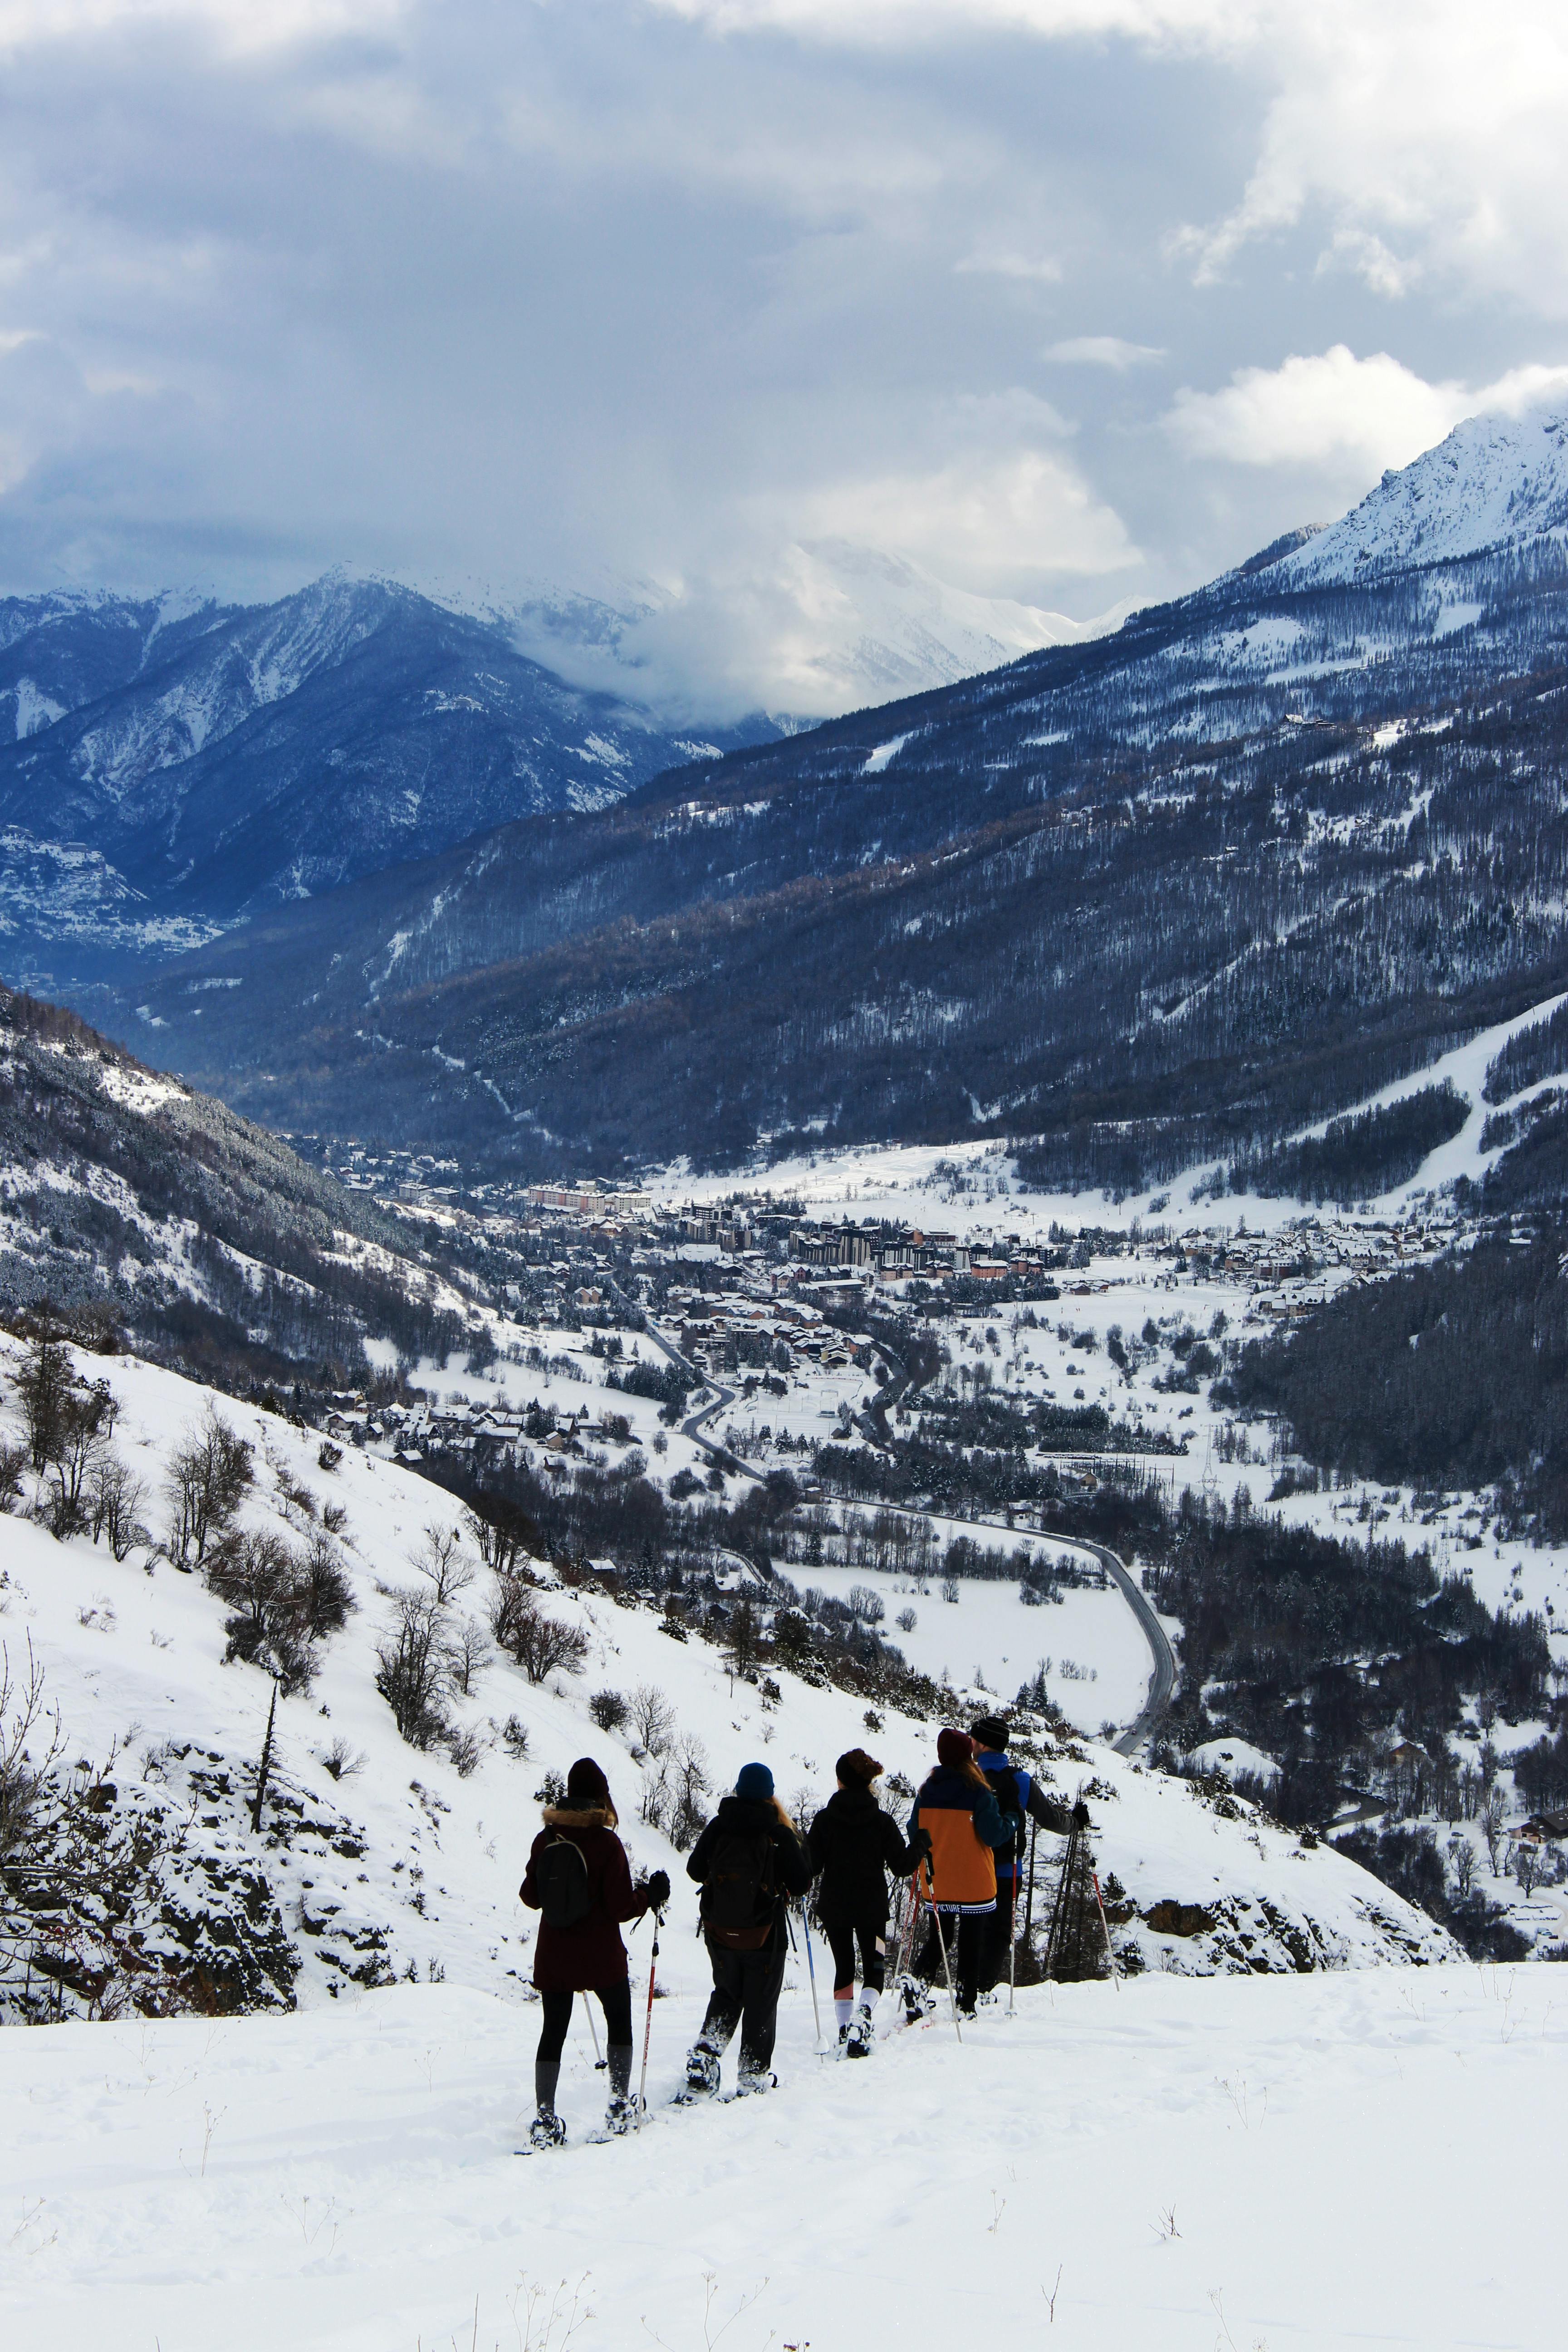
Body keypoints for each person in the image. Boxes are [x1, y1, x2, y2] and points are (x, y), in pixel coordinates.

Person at [519, 1756, 670, 2147]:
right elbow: (621, 1908)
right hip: (601, 1956)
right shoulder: (606, 1843)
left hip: (555, 1955)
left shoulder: (546, 1839)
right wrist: (649, 1896)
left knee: (553, 2030)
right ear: (600, 1796)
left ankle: (545, 2120)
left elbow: (530, 1897)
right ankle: (619, 2107)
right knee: (618, 2020)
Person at [683, 1761, 813, 2096]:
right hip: (765, 1937)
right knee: (760, 2002)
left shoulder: (718, 1827)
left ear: (738, 1790)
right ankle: (753, 2077)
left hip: (720, 1933)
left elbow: (695, 1870)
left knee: (727, 1993)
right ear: (770, 1795)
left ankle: (704, 2057)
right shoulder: (778, 1833)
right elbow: (801, 1885)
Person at [807, 1747, 929, 2057]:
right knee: (875, 1968)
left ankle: (846, 2027)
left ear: (840, 1781)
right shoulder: (881, 1822)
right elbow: (902, 1866)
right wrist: (921, 1845)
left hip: (835, 1907)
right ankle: (864, 2016)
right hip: (872, 1908)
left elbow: (811, 1866)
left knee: (844, 1966)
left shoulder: (824, 1820)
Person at [970, 1712, 1088, 1999]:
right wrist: (1076, 1822)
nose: (971, 1741)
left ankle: (965, 1986)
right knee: (998, 1932)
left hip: (971, 1867)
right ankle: (982, 1989)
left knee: (972, 1930)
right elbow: (1050, 1819)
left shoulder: (967, 1777)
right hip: (1008, 1870)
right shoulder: (1020, 1781)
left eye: (974, 1737)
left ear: (984, 1744)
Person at [908, 1727, 1010, 2018]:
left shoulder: (927, 1791)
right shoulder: (978, 1791)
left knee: (940, 1938)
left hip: (937, 1879)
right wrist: (1013, 1818)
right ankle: (966, 2003)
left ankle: (917, 1985)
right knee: (970, 1941)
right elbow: (993, 1834)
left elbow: (914, 1830)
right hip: (973, 1882)